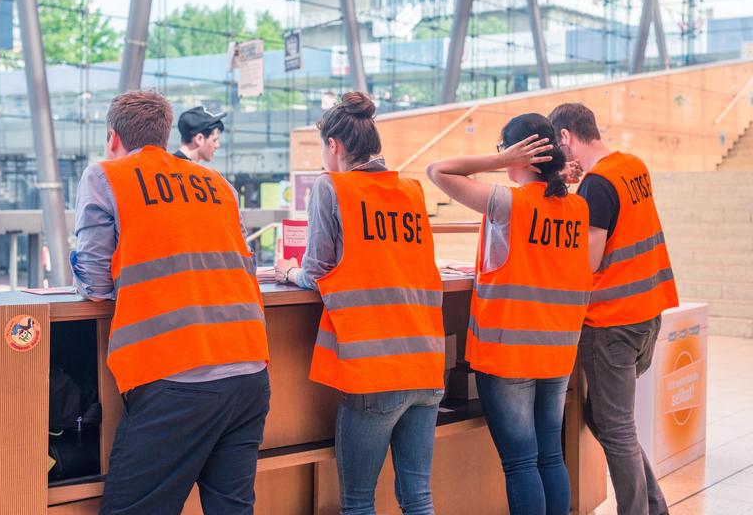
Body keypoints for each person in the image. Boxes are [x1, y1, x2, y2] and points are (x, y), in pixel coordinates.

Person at [70, 90, 270, 515]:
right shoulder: (220, 185)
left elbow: (94, 280)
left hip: (176, 376)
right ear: (164, 135)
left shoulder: (107, 176)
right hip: (249, 370)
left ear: (113, 139)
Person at [274, 92, 445, 515]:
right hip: (425, 363)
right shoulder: (411, 190)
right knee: (418, 499)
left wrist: (286, 272)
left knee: (357, 503)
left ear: (335, 145)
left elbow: (315, 274)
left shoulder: (332, 187)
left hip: (373, 370)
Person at [426, 113, 592, 515]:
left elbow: (438, 170)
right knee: (550, 457)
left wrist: (499, 161)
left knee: (521, 463)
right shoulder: (578, 209)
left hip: (509, 357)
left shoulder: (508, 202)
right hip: (557, 354)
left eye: (505, 150)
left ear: (520, 155)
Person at [549, 102, 678, 515]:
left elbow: (587, 261)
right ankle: (653, 507)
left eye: (556, 144)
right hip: (647, 313)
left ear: (566, 137)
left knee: (615, 426)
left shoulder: (598, 185)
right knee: (604, 418)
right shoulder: (631, 165)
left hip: (611, 321)